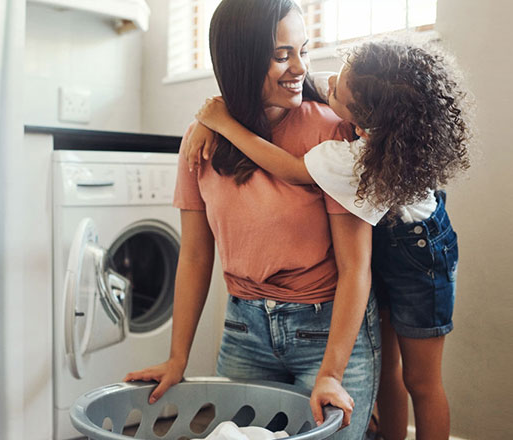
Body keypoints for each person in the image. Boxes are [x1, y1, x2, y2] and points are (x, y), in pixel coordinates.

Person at [186, 39, 472, 440]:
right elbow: (262, 83)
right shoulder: (359, 92)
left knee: (422, 382)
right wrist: (213, 112)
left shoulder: (352, 157)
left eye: (337, 90)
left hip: (420, 255)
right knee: (387, 367)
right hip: (381, 241)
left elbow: (289, 169)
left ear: (364, 120)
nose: (328, 82)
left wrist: (223, 124)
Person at [123, 1, 381, 439]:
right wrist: (177, 358)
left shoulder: (330, 130)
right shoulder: (202, 139)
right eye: (282, 55)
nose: (300, 67)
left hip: (326, 331)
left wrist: (332, 373)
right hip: (244, 329)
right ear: (241, 58)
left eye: (302, 50)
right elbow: (194, 257)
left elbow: (357, 267)